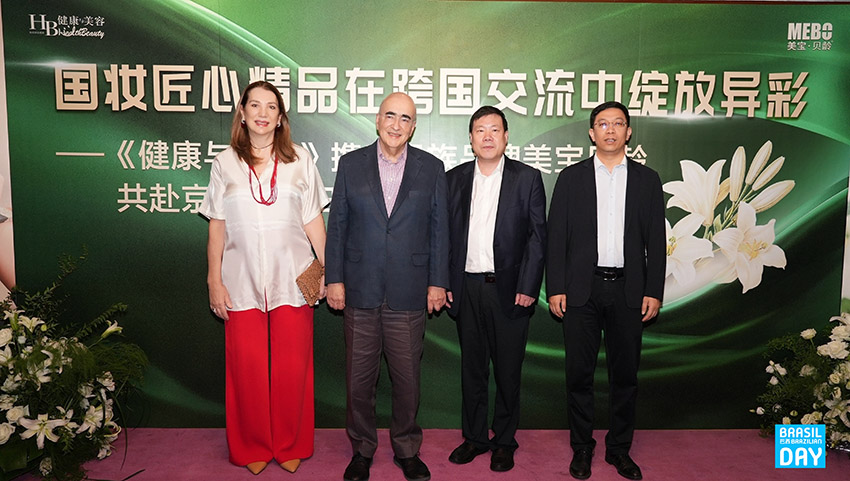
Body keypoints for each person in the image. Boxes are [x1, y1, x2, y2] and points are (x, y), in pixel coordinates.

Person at [200, 80, 329, 475]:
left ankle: (290, 443)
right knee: (247, 369)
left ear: (280, 117)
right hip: (240, 281)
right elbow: (217, 226)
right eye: (254, 105)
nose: (262, 113)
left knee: (292, 368)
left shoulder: (300, 160)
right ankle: (252, 444)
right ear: (242, 113)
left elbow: (313, 219)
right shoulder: (224, 163)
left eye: (271, 106)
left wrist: (330, 272)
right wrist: (214, 280)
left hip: (293, 278)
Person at [325, 92, 449, 481]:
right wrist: (334, 279)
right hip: (359, 290)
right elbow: (337, 225)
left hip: (409, 292)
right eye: (390, 116)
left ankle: (406, 448)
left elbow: (440, 230)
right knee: (359, 381)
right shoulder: (351, 164)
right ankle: (362, 449)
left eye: (405, 119)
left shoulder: (432, 168)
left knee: (407, 381)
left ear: (414, 127)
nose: (396, 125)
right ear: (378, 120)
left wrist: (438, 282)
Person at [546, 101, 665, 480]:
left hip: (629, 291)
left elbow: (657, 241)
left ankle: (619, 450)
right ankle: (582, 448)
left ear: (628, 132)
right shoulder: (571, 178)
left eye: (618, 124)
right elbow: (556, 238)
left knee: (624, 376)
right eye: (602, 124)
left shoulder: (647, 180)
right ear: (591, 132)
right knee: (578, 375)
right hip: (581, 291)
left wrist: (653, 289)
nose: (610, 130)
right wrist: (556, 287)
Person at [444, 106, 546, 472]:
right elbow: (442, 236)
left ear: (506, 137)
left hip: (510, 290)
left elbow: (537, 237)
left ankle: (504, 441)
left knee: (507, 371)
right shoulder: (453, 179)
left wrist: (529, 285)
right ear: (470, 139)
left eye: (494, 130)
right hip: (467, 287)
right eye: (480, 130)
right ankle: (474, 438)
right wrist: (444, 281)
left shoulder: (527, 178)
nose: (487, 136)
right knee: (472, 370)